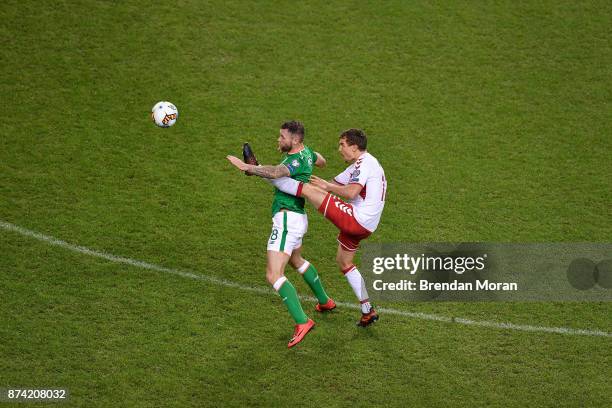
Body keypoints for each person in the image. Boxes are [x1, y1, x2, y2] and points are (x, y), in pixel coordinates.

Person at [228, 128, 386, 327]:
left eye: (342, 145)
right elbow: (326, 184)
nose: (339, 149)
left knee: (308, 190)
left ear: (354, 148)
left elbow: (351, 192)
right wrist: (315, 175)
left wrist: (254, 169)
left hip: (357, 219)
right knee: (344, 263)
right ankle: (367, 311)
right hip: (367, 225)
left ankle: (255, 169)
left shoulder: (364, 163)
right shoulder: (360, 165)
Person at [232, 121, 335, 348]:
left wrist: (249, 168)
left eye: (282, 137)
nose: (278, 140)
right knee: (296, 260)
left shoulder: (294, 160)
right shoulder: (306, 153)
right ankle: (325, 301)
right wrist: (258, 168)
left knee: (273, 274)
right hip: (298, 218)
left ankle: (302, 321)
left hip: (287, 220)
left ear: (295, 140)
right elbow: (321, 160)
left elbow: (278, 172)